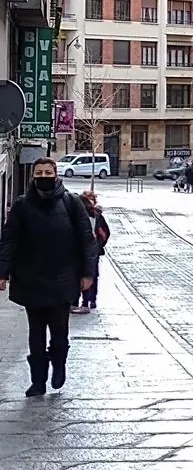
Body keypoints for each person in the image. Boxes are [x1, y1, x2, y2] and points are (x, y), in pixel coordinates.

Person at [0, 158, 98, 397]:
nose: (43, 176)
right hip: (30, 278)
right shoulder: (23, 206)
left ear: (56, 175)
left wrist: (88, 273)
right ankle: (38, 380)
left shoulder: (72, 203)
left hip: (63, 278)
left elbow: (87, 240)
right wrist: (2, 273)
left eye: (48, 172)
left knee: (59, 330)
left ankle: (59, 363)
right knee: (35, 333)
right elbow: (9, 241)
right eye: (39, 173)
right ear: (33, 176)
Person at [72, 191, 110, 314]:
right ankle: (82, 302)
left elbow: (103, 233)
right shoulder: (91, 215)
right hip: (90, 250)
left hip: (88, 251)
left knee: (88, 275)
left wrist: (98, 246)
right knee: (88, 275)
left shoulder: (91, 217)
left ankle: (85, 302)